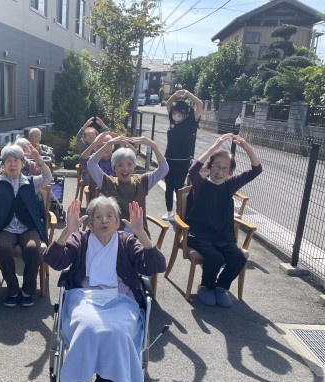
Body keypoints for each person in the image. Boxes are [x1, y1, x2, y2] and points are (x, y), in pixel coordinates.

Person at [43, 198, 166, 382]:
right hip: (85, 297)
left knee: (116, 332)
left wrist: (141, 234)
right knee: (87, 328)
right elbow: (53, 260)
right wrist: (67, 231)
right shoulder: (81, 239)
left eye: (110, 216)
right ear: (89, 223)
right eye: (98, 217)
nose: (104, 221)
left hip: (121, 299)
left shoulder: (127, 241)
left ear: (118, 222)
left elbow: (156, 266)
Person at [186, 133, 262, 307]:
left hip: (222, 236)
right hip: (199, 235)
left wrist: (247, 147)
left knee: (239, 257)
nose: (220, 172)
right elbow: (193, 170)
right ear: (210, 167)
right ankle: (206, 287)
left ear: (230, 172)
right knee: (216, 257)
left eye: (225, 168)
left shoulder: (230, 184)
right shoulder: (200, 184)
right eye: (216, 166)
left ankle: (220, 287)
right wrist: (214, 146)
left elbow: (256, 170)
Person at [0, 144, 52, 307]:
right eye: (8, 161)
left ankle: (27, 291)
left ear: (23, 163)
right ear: (3, 165)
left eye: (16, 160)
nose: (12, 164)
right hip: (6, 228)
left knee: (32, 249)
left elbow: (47, 177)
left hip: (28, 228)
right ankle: (13, 290)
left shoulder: (31, 182)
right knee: (3, 249)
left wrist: (39, 160)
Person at [88, 134, 168, 234]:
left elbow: (164, 169)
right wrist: (108, 144)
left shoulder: (142, 181)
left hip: (139, 235)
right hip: (114, 235)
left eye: (129, 164)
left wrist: (153, 145)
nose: (125, 168)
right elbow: (91, 164)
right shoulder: (108, 182)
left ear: (134, 166)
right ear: (114, 167)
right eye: (120, 165)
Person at [163, 89, 203, 221]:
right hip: (169, 159)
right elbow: (168, 104)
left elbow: (200, 104)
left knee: (178, 187)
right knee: (169, 187)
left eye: (177, 112)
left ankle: (179, 213)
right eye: (174, 112)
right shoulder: (172, 122)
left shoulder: (191, 122)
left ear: (184, 113)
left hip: (182, 161)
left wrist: (187, 94)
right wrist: (175, 95)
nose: (175, 114)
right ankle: (169, 212)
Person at [80, 131, 117, 201]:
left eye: (107, 145)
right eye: (101, 146)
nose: (104, 148)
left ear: (112, 147)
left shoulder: (117, 159)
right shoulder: (94, 159)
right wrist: (95, 143)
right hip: (97, 197)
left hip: (115, 196)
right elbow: (83, 159)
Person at [76, 116, 110, 185]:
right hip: (88, 173)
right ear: (84, 138)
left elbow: (108, 136)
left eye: (93, 134)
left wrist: (103, 125)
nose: (91, 136)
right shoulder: (83, 147)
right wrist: (84, 126)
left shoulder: (100, 146)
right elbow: (78, 138)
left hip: (100, 170)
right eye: (89, 135)